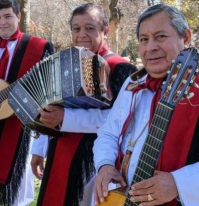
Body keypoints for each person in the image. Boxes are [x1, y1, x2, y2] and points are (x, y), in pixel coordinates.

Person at [93, 3, 199, 206]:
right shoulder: (133, 83)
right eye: (144, 39)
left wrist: (179, 184)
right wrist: (105, 165)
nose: (150, 47)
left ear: (186, 38)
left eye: (160, 36)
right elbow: (108, 132)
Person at [30, 2, 137, 206]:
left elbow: (120, 119)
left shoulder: (121, 69)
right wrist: (39, 148)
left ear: (105, 31)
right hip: (59, 150)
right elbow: (49, 105)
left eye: (90, 28)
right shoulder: (66, 62)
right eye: (76, 29)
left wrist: (66, 118)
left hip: (94, 157)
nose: (82, 34)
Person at [0, 0, 53, 205]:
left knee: (16, 195)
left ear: (19, 16)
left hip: (21, 129)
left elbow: (48, 93)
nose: (2, 22)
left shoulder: (38, 48)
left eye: (7, 16)